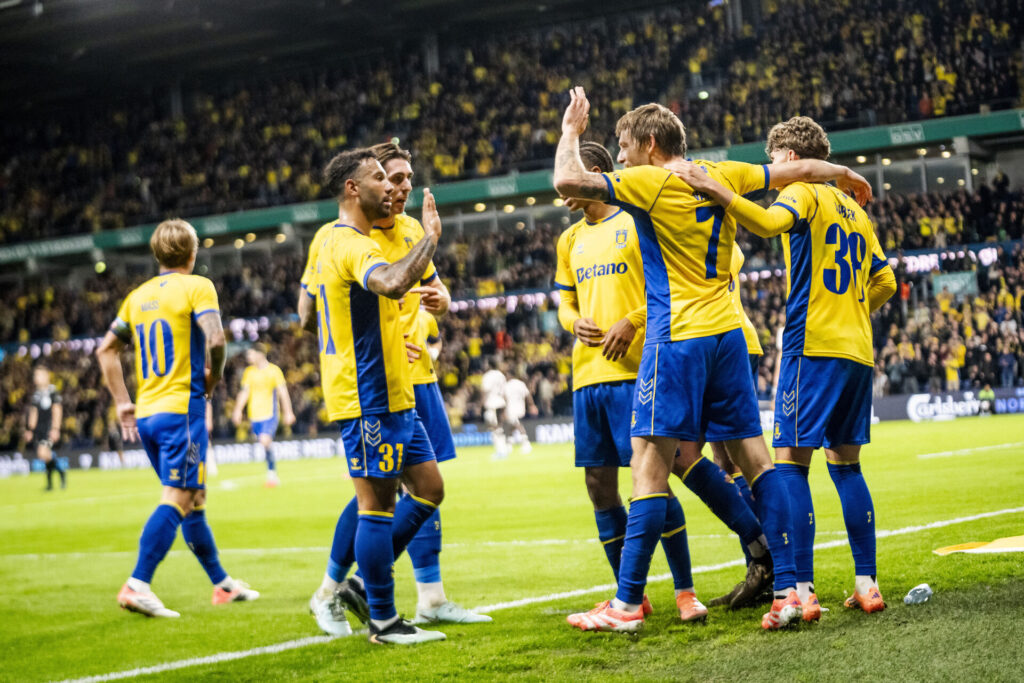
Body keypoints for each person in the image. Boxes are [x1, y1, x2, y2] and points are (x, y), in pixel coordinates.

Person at [554, 87, 872, 632]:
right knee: (757, 460)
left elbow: (567, 181)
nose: (623, 157)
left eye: (627, 146)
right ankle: (790, 590)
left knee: (650, 464)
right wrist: (842, 173)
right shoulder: (724, 172)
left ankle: (628, 603)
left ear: (650, 144)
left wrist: (570, 132)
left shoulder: (650, 180)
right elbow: (798, 171)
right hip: (728, 334)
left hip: (676, 336)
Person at [672, 115, 897, 619]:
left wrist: (719, 190)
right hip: (857, 350)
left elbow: (770, 222)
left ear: (791, 159)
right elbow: (885, 282)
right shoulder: (856, 211)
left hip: (810, 347)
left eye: (773, 161)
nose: (771, 171)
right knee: (847, 466)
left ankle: (801, 589)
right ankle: (867, 584)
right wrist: (852, 313)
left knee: (791, 465)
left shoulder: (805, 191)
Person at [297, 148, 446, 645]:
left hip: (395, 390)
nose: (391, 186)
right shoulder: (347, 244)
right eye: (380, 177)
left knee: (429, 489)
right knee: (376, 506)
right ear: (352, 189)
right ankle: (382, 619)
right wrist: (428, 240)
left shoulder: (355, 240)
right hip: (367, 397)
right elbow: (390, 281)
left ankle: (361, 584)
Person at [555, 140, 707, 623]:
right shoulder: (569, 240)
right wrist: (570, 321)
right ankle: (632, 594)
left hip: (636, 370)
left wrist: (634, 320)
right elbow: (563, 300)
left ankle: (686, 592)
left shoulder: (634, 220)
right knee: (600, 487)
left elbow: (669, 287)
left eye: (573, 182)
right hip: (588, 376)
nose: (564, 196)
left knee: (653, 483)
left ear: (595, 172)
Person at [96, 219, 259, 618]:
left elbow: (106, 350)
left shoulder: (137, 297)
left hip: (148, 415)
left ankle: (222, 585)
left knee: (195, 498)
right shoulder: (197, 287)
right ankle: (138, 583)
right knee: (179, 497)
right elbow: (217, 339)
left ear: (157, 255)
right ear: (193, 253)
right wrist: (214, 377)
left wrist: (122, 402)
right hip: (179, 412)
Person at [231, 343, 296, 487]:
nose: (248, 357)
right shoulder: (249, 372)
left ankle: (272, 474)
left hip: (270, 413)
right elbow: (244, 393)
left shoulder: (274, 371)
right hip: (254, 415)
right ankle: (271, 469)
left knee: (264, 440)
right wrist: (237, 410)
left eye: (250, 354)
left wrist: (288, 412)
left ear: (259, 354)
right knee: (263, 443)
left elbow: (283, 392)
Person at [24, 366, 66, 491]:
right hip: (39, 430)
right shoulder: (36, 394)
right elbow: (33, 413)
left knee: (42, 453)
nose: (35, 378)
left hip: (49, 428)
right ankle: (52, 483)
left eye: (38, 375)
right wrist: (30, 430)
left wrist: (56, 428)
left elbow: (57, 410)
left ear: (46, 376)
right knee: (45, 455)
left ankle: (60, 475)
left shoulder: (52, 392)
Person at [481, 359, 509, 459]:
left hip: (491, 404)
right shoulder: (501, 375)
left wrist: (482, 404)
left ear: (489, 364)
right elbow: (504, 391)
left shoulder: (487, 376)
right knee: (500, 428)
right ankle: (504, 449)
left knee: (493, 428)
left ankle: (500, 451)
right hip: (501, 403)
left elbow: (485, 390)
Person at [503, 372, 536, 454]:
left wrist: (503, 410)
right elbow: (528, 395)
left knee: (517, 424)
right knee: (511, 426)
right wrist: (532, 405)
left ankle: (526, 443)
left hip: (511, 408)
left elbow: (504, 398)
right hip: (521, 407)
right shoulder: (521, 384)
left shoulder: (507, 385)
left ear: (508, 375)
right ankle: (509, 445)